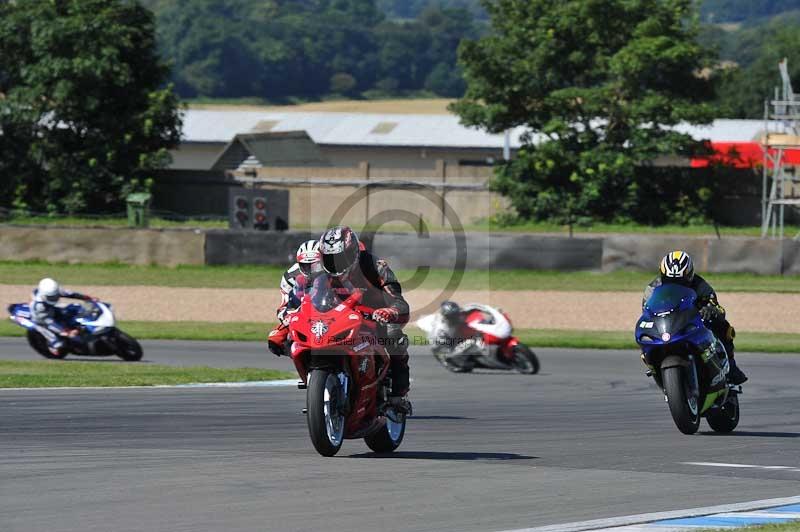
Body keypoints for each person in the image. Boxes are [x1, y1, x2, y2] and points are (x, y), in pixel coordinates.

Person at [643, 251, 747, 385]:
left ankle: (731, 367)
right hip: (667, 324)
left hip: (692, 320)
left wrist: (710, 309)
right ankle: (654, 365)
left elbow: (717, 307)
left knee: (724, 327)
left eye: (680, 280)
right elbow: (646, 310)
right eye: (670, 280)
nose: (676, 284)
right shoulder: (652, 289)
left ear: (689, 275)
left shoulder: (700, 285)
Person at [269, 239, 322, 353]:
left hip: (332, 314)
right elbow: (283, 308)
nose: (310, 270)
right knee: (275, 340)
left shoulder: (334, 272)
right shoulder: (290, 277)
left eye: (315, 265)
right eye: (305, 265)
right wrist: (291, 318)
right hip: (305, 316)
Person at [29, 278, 96, 356]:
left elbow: (71, 294)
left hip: (51, 309)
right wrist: (66, 331)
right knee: (59, 343)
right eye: (51, 297)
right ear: (43, 295)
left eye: (54, 296)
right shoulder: (39, 306)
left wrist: (88, 298)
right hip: (41, 320)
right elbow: (50, 322)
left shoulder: (54, 291)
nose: (53, 298)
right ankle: (52, 346)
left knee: (75, 308)